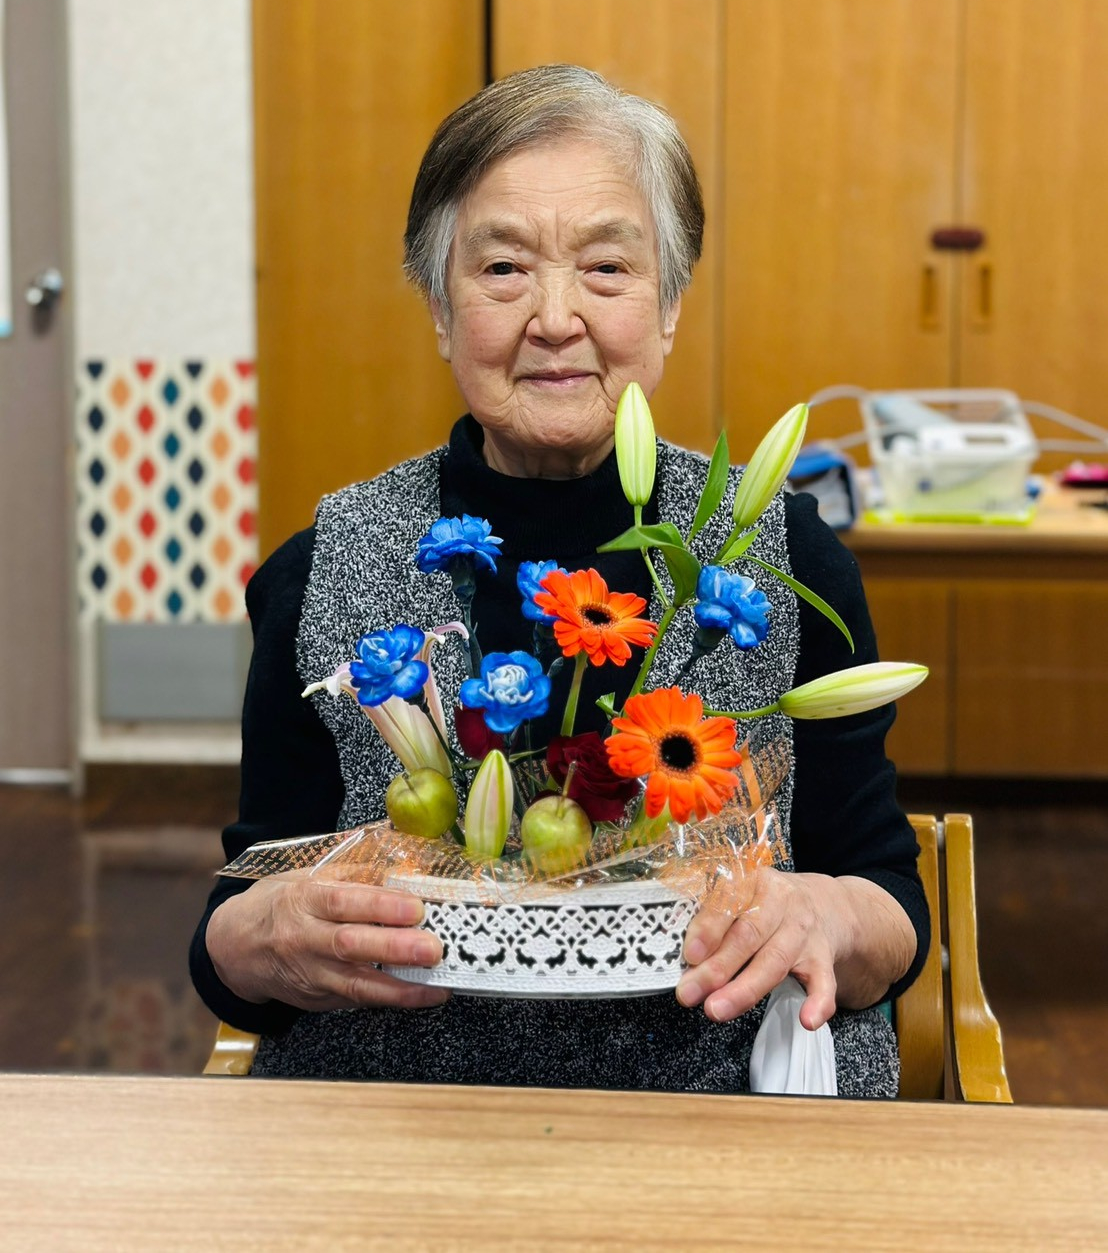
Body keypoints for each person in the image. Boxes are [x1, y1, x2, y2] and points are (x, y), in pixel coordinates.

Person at [190, 64, 928, 1095]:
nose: (553, 316)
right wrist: (260, 936)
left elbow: (887, 902)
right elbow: (234, 935)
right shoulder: (326, 567)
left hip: (721, 1119)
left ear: (668, 305)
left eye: (606, 268)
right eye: (502, 268)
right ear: (440, 309)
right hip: (396, 1126)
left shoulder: (782, 557)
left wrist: (827, 913)